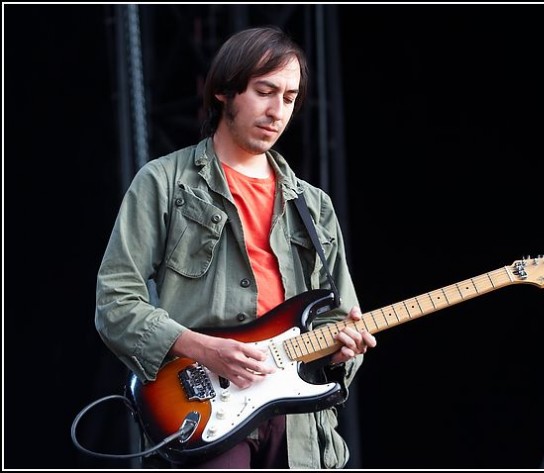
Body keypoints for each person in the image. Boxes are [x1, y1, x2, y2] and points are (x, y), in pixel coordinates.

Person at [94, 25, 376, 469]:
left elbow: (341, 315)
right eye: (265, 91)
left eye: (288, 98)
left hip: (300, 427)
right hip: (205, 409)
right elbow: (115, 301)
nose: (277, 110)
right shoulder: (165, 182)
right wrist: (203, 348)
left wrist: (345, 350)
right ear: (225, 90)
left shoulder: (314, 205)